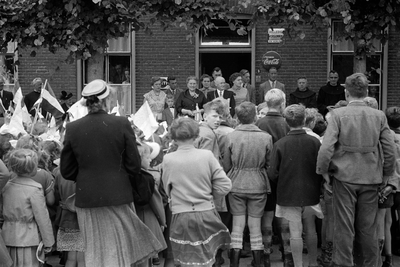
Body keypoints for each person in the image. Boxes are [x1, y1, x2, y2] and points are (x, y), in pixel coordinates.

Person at [60, 79, 163, 267]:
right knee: (119, 248)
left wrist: (88, 177)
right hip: (118, 194)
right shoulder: (121, 123)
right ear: (106, 100)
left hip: (87, 197)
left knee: (94, 250)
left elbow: (66, 170)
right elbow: (134, 165)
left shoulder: (73, 128)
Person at [316, 73, 396, 267]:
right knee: (368, 228)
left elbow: (326, 148)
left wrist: (324, 172)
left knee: (344, 226)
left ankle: (344, 263)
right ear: (367, 91)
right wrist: (386, 174)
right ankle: (371, 264)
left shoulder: (337, 115)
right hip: (371, 176)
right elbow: (390, 149)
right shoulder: (378, 116)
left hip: (344, 177)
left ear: (346, 92)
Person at [162, 117, 232, 267]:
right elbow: (225, 185)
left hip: (181, 214)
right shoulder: (206, 156)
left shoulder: (168, 159)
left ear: (173, 136)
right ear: (196, 135)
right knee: (206, 257)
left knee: (185, 258)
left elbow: (167, 189)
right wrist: (209, 195)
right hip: (206, 211)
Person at [268, 104, 323, 267]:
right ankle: (312, 263)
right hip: (311, 191)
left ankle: (298, 264)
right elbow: (321, 167)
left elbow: (272, 173)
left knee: (295, 231)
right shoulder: (315, 142)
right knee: (311, 229)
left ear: (286, 122)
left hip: (288, 192)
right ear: (305, 120)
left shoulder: (280, 144)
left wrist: (283, 182)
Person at [223, 101, 273, 267]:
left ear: (237, 117)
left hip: (236, 183)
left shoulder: (231, 136)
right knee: (255, 226)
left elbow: (227, 165)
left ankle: (234, 264)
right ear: (255, 117)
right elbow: (268, 164)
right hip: (258, 184)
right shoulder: (266, 137)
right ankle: (258, 263)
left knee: (237, 226)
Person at [255, 89, 292, 267]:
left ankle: (266, 257)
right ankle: (287, 256)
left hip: (264, 175)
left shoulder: (259, 123)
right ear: (282, 103)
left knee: (267, 216)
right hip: (284, 175)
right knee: (283, 216)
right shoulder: (287, 124)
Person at [1, 149, 55, 267]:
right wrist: (48, 241)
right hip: (29, 238)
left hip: (7, 236)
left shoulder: (5, 187)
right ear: (33, 168)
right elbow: (42, 218)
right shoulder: (35, 189)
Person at [136, 142, 168, 266]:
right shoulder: (147, 177)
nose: (150, 159)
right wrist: (162, 221)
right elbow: (156, 202)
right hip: (147, 218)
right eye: (147, 157)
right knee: (146, 257)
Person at [53, 167, 85, 267]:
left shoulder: (59, 172)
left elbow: (56, 195)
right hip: (84, 218)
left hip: (66, 218)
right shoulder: (87, 171)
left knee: (70, 258)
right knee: (82, 259)